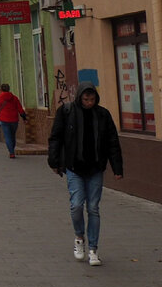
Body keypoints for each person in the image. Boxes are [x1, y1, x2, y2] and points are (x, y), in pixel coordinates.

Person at [47, 83, 123, 266]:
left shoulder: (103, 115)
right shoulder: (66, 112)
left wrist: (117, 168)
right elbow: (56, 137)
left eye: (92, 99)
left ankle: (93, 250)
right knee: (76, 206)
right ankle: (79, 238)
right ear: (79, 97)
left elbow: (112, 141)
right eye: (85, 99)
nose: (89, 102)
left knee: (94, 208)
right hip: (75, 168)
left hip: (95, 168)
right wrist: (54, 161)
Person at [0, 84, 28, 159]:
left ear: (1, 90)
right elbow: (20, 109)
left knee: (7, 136)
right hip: (14, 119)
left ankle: (11, 152)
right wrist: (24, 118)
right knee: (12, 136)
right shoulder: (14, 98)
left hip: (4, 119)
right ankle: (12, 148)